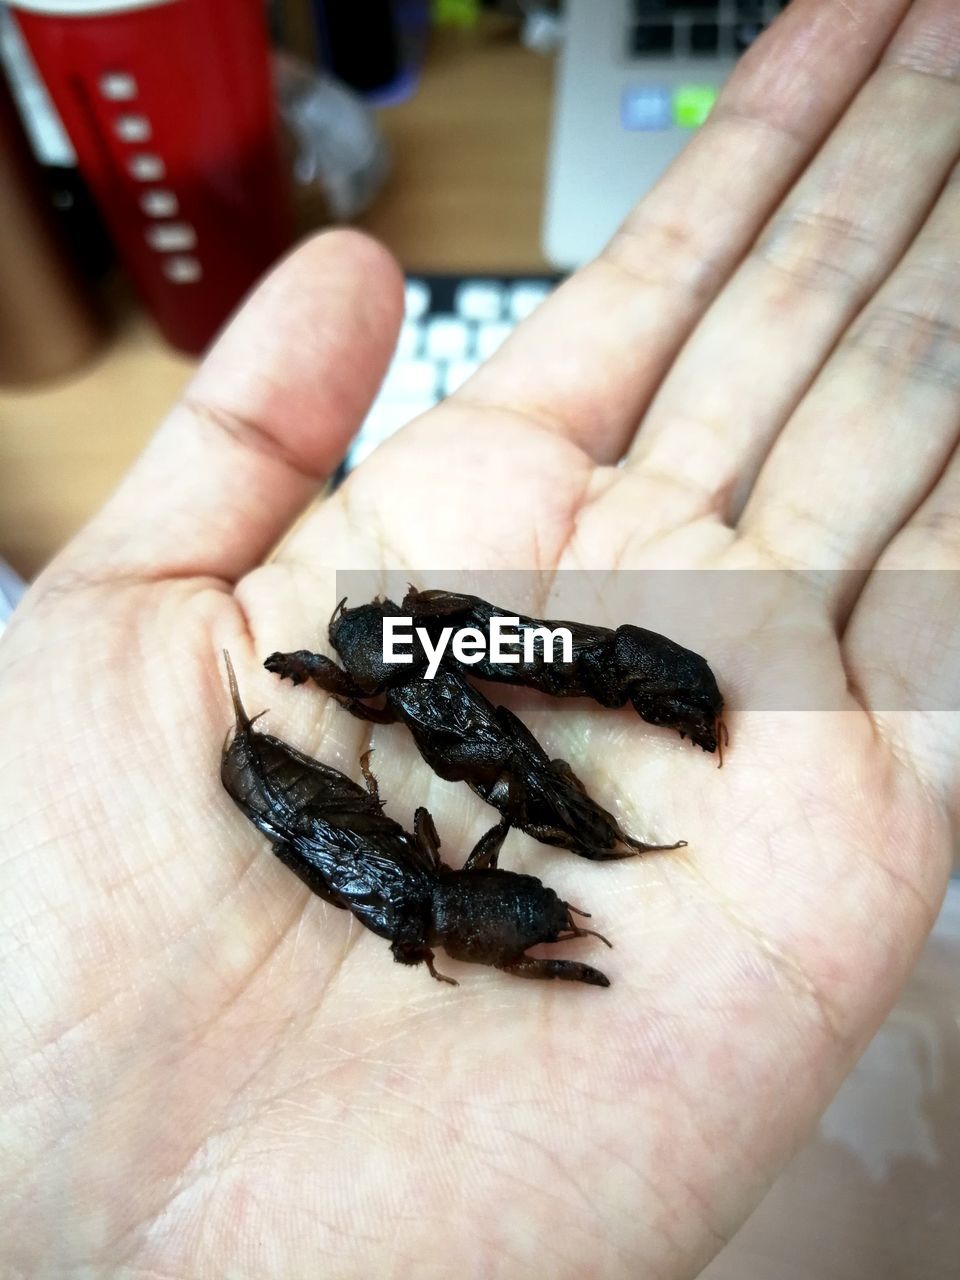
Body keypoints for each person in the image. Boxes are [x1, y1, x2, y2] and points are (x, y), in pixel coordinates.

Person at [1, 1, 958, 1274]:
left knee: (553, 691)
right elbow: (450, 702)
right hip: (413, 792)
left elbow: (466, 679)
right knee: (534, 714)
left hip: (434, 771)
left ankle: (625, 758)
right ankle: (609, 778)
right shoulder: (409, 738)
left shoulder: (417, 701)